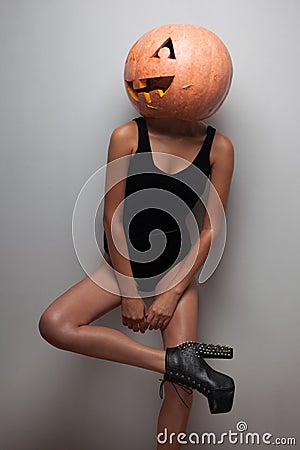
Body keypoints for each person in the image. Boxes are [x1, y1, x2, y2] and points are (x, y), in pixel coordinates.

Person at [38, 24, 235, 450]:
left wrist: (171, 292)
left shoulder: (220, 148)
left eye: (162, 64)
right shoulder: (128, 136)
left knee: (181, 395)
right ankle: (175, 364)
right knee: (55, 324)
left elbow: (210, 227)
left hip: (178, 275)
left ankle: (180, 375)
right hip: (124, 265)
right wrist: (129, 290)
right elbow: (112, 215)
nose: (139, 77)